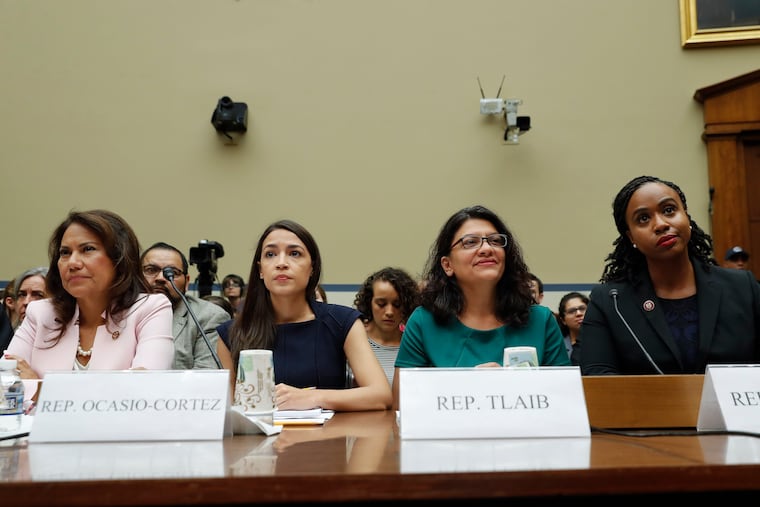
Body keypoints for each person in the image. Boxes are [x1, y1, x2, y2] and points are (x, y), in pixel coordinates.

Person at [579, 175, 760, 375]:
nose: (661, 224)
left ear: (686, 216)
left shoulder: (743, 287)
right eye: (643, 218)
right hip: (646, 406)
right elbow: (598, 376)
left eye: (669, 210)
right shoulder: (610, 302)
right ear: (631, 237)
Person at [393, 205, 570, 408]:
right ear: (447, 265)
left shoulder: (541, 320)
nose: (487, 248)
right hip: (448, 438)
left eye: (495, 241)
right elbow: (402, 405)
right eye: (470, 242)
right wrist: (472, 388)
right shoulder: (424, 322)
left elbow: (564, 400)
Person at [5, 209, 175, 401]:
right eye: (65, 253)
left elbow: (143, 392)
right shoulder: (41, 312)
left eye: (87, 249)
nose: (73, 263)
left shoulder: (150, 309)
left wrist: (40, 390)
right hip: (35, 431)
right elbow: (6, 379)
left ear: (119, 258)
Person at [223, 219, 391, 412]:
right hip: (256, 440)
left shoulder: (343, 322)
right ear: (261, 270)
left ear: (312, 267)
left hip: (327, 437)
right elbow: (229, 411)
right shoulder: (230, 333)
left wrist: (313, 397)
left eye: (294, 253)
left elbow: (381, 395)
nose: (281, 263)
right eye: (271, 254)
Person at [141, 242, 231, 370]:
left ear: (187, 282)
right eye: (151, 270)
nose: (161, 278)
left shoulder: (209, 316)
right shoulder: (116, 313)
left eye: (171, 272)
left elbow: (204, 379)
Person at [353, 267, 420, 385]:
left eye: (397, 305)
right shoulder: (353, 340)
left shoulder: (414, 344)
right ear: (369, 303)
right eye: (381, 304)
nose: (389, 312)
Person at [556, 291, 588, 366]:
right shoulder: (558, 345)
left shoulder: (603, 340)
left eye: (582, 308)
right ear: (563, 320)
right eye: (571, 311)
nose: (579, 314)